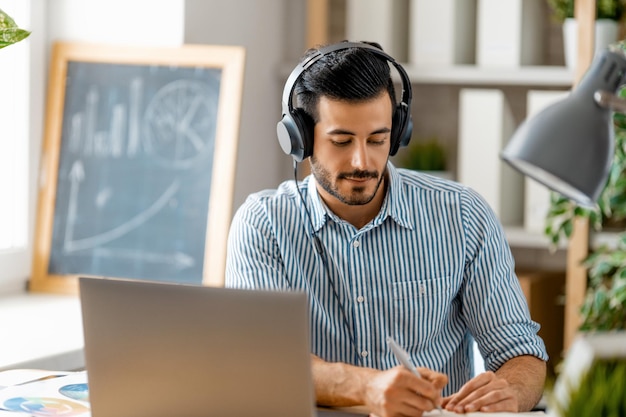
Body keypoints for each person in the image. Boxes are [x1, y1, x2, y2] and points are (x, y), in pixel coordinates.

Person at [225, 41, 548, 417]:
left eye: (378, 139)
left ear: (397, 134)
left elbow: (521, 352)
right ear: (300, 138)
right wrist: (367, 387)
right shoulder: (263, 225)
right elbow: (262, 359)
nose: (363, 161)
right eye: (342, 141)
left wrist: (509, 391)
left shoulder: (463, 215)